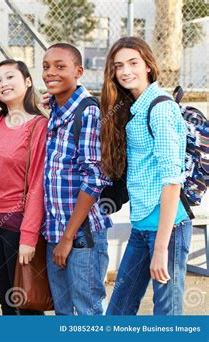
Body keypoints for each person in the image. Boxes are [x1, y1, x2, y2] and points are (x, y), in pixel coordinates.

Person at [101, 37, 191, 315]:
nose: (125, 71)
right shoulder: (135, 108)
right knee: (119, 310)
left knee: (166, 313)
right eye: (118, 66)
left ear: (148, 66)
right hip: (142, 226)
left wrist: (162, 247)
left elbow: (172, 180)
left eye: (133, 63)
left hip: (168, 229)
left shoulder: (160, 108)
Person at [42, 43, 112, 315]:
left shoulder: (88, 112)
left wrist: (68, 237)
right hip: (55, 232)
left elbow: (94, 178)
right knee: (63, 312)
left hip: (81, 236)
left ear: (79, 71)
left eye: (60, 67)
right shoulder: (57, 109)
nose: (50, 73)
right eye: (46, 67)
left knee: (87, 311)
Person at [0, 59, 47, 315]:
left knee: (27, 304)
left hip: (18, 227)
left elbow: (38, 184)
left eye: (10, 77)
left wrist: (28, 237)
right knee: (6, 303)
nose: (3, 84)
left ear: (28, 81)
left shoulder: (39, 125)